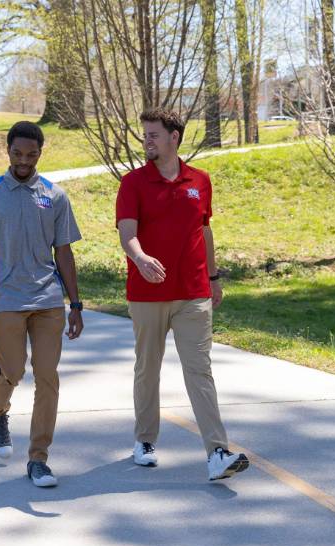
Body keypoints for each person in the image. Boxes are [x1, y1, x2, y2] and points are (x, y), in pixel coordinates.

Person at [115, 108, 249, 481]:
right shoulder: (133, 182)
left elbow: (203, 231)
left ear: (174, 137)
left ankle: (217, 452)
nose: (147, 141)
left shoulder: (200, 181)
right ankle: (144, 440)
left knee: (200, 371)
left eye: (154, 134)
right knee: (148, 368)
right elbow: (127, 233)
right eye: (145, 135)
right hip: (147, 293)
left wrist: (214, 276)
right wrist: (140, 258)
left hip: (193, 292)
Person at [0, 121, 84, 488]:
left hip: (48, 300)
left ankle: (39, 459)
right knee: (12, 371)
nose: (24, 161)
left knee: (47, 378)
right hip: (7, 301)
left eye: (31, 155)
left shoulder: (54, 195)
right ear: (8, 151)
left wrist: (75, 304)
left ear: (40, 154)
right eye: (18, 153)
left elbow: (63, 253)